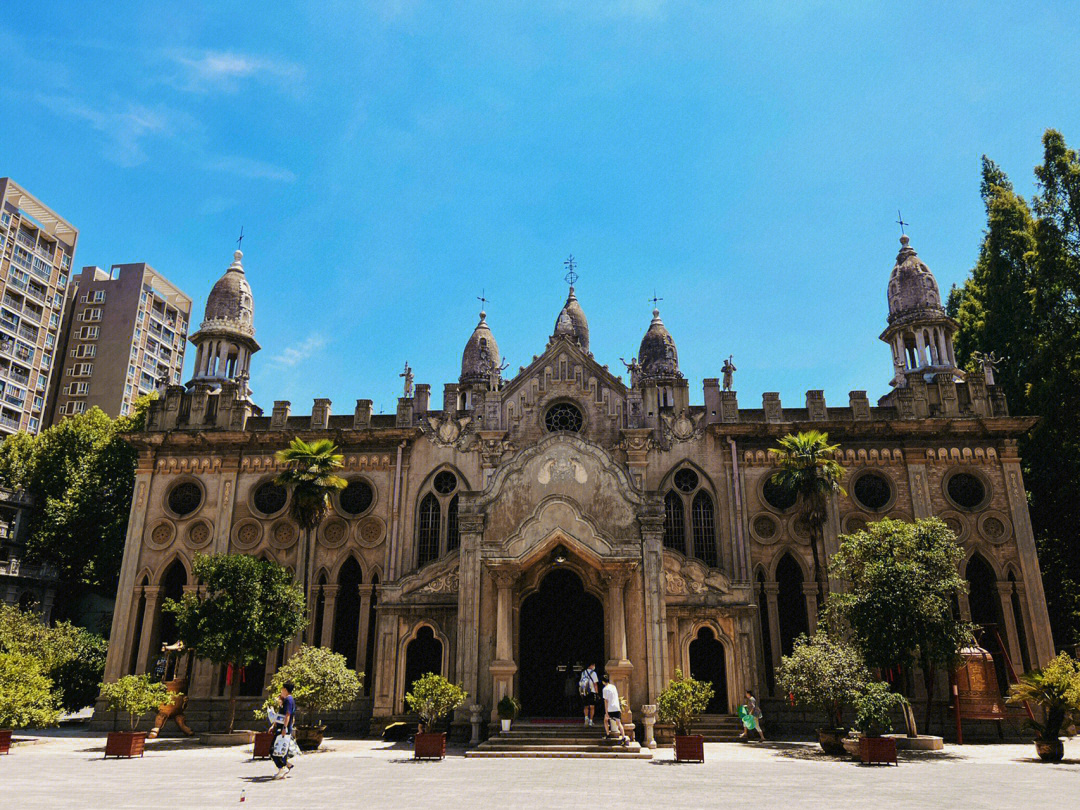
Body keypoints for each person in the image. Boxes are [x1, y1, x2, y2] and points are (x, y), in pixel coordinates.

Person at [272, 681, 297, 779]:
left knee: (274, 748)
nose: (281, 691)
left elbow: (288, 714)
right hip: (282, 727)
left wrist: (284, 728)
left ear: (285, 690)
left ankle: (282, 766)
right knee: (282, 749)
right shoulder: (286, 700)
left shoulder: (289, 700)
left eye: (282, 689)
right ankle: (286, 766)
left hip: (283, 728)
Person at [601, 674, 629, 745]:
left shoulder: (605, 689)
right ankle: (623, 736)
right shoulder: (613, 687)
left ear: (603, 682)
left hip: (610, 708)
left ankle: (607, 734)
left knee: (605, 720)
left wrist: (606, 711)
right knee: (619, 723)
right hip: (617, 707)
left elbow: (606, 701)